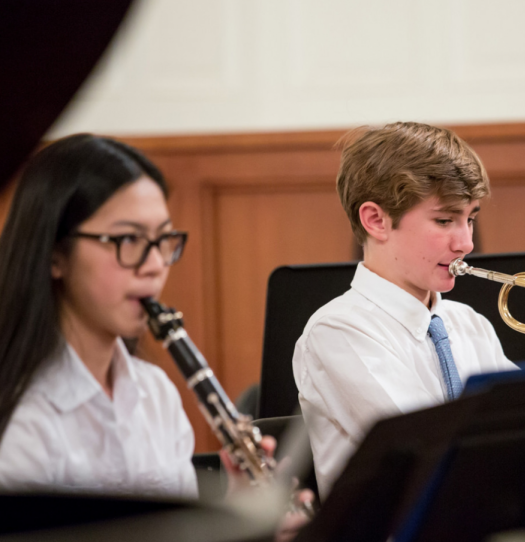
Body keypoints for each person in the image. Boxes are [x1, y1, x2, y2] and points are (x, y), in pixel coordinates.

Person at [293, 122, 525, 495]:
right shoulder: (337, 332)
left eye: (471, 219)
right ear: (376, 220)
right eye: (445, 220)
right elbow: (436, 459)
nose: (466, 242)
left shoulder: (468, 323)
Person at [0, 134, 312, 539]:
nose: (153, 266)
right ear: (54, 255)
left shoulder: (155, 393)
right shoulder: (22, 419)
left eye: (163, 240)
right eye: (128, 239)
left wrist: (240, 518)